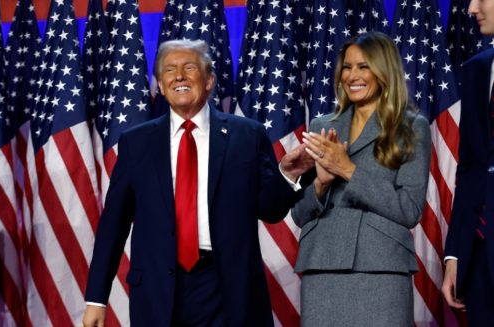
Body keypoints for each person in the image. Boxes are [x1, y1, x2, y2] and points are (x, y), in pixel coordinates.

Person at [82, 39, 313, 326]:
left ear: (209, 81)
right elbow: (113, 224)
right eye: (169, 70)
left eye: (189, 67)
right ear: (161, 85)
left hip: (228, 289)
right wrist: (96, 298)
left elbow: (270, 209)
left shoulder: (247, 135)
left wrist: (288, 175)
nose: (179, 75)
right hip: (159, 289)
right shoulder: (136, 143)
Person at [291, 31, 431, 326]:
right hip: (322, 269)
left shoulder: (411, 128)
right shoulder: (322, 126)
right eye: (347, 66)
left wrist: (348, 171)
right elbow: (299, 214)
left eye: (363, 66)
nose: (352, 75)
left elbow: (409, 209)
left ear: (384, 72)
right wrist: (321, 184)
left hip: (382, 270)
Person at [442, 1, 494, 325]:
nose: (471, 7)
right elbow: (471, 168)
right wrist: (455, 253)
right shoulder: (476, 69)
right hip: (480, 255)